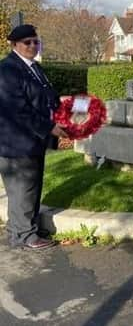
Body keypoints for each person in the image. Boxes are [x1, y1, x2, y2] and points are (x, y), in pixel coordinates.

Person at [0, 24, 68, 250]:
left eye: (35, 41)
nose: (32, 46)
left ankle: (23, 229)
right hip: (16, 143)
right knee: (23, 190)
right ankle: (24, 237)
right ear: (14, 45)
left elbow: (49, 98)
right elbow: (18, 110)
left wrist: (68, 112)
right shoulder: (8, 70)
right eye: (27, 42)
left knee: (31, 187)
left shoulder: (33, 68)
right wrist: (49, 127)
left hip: (33, 141)